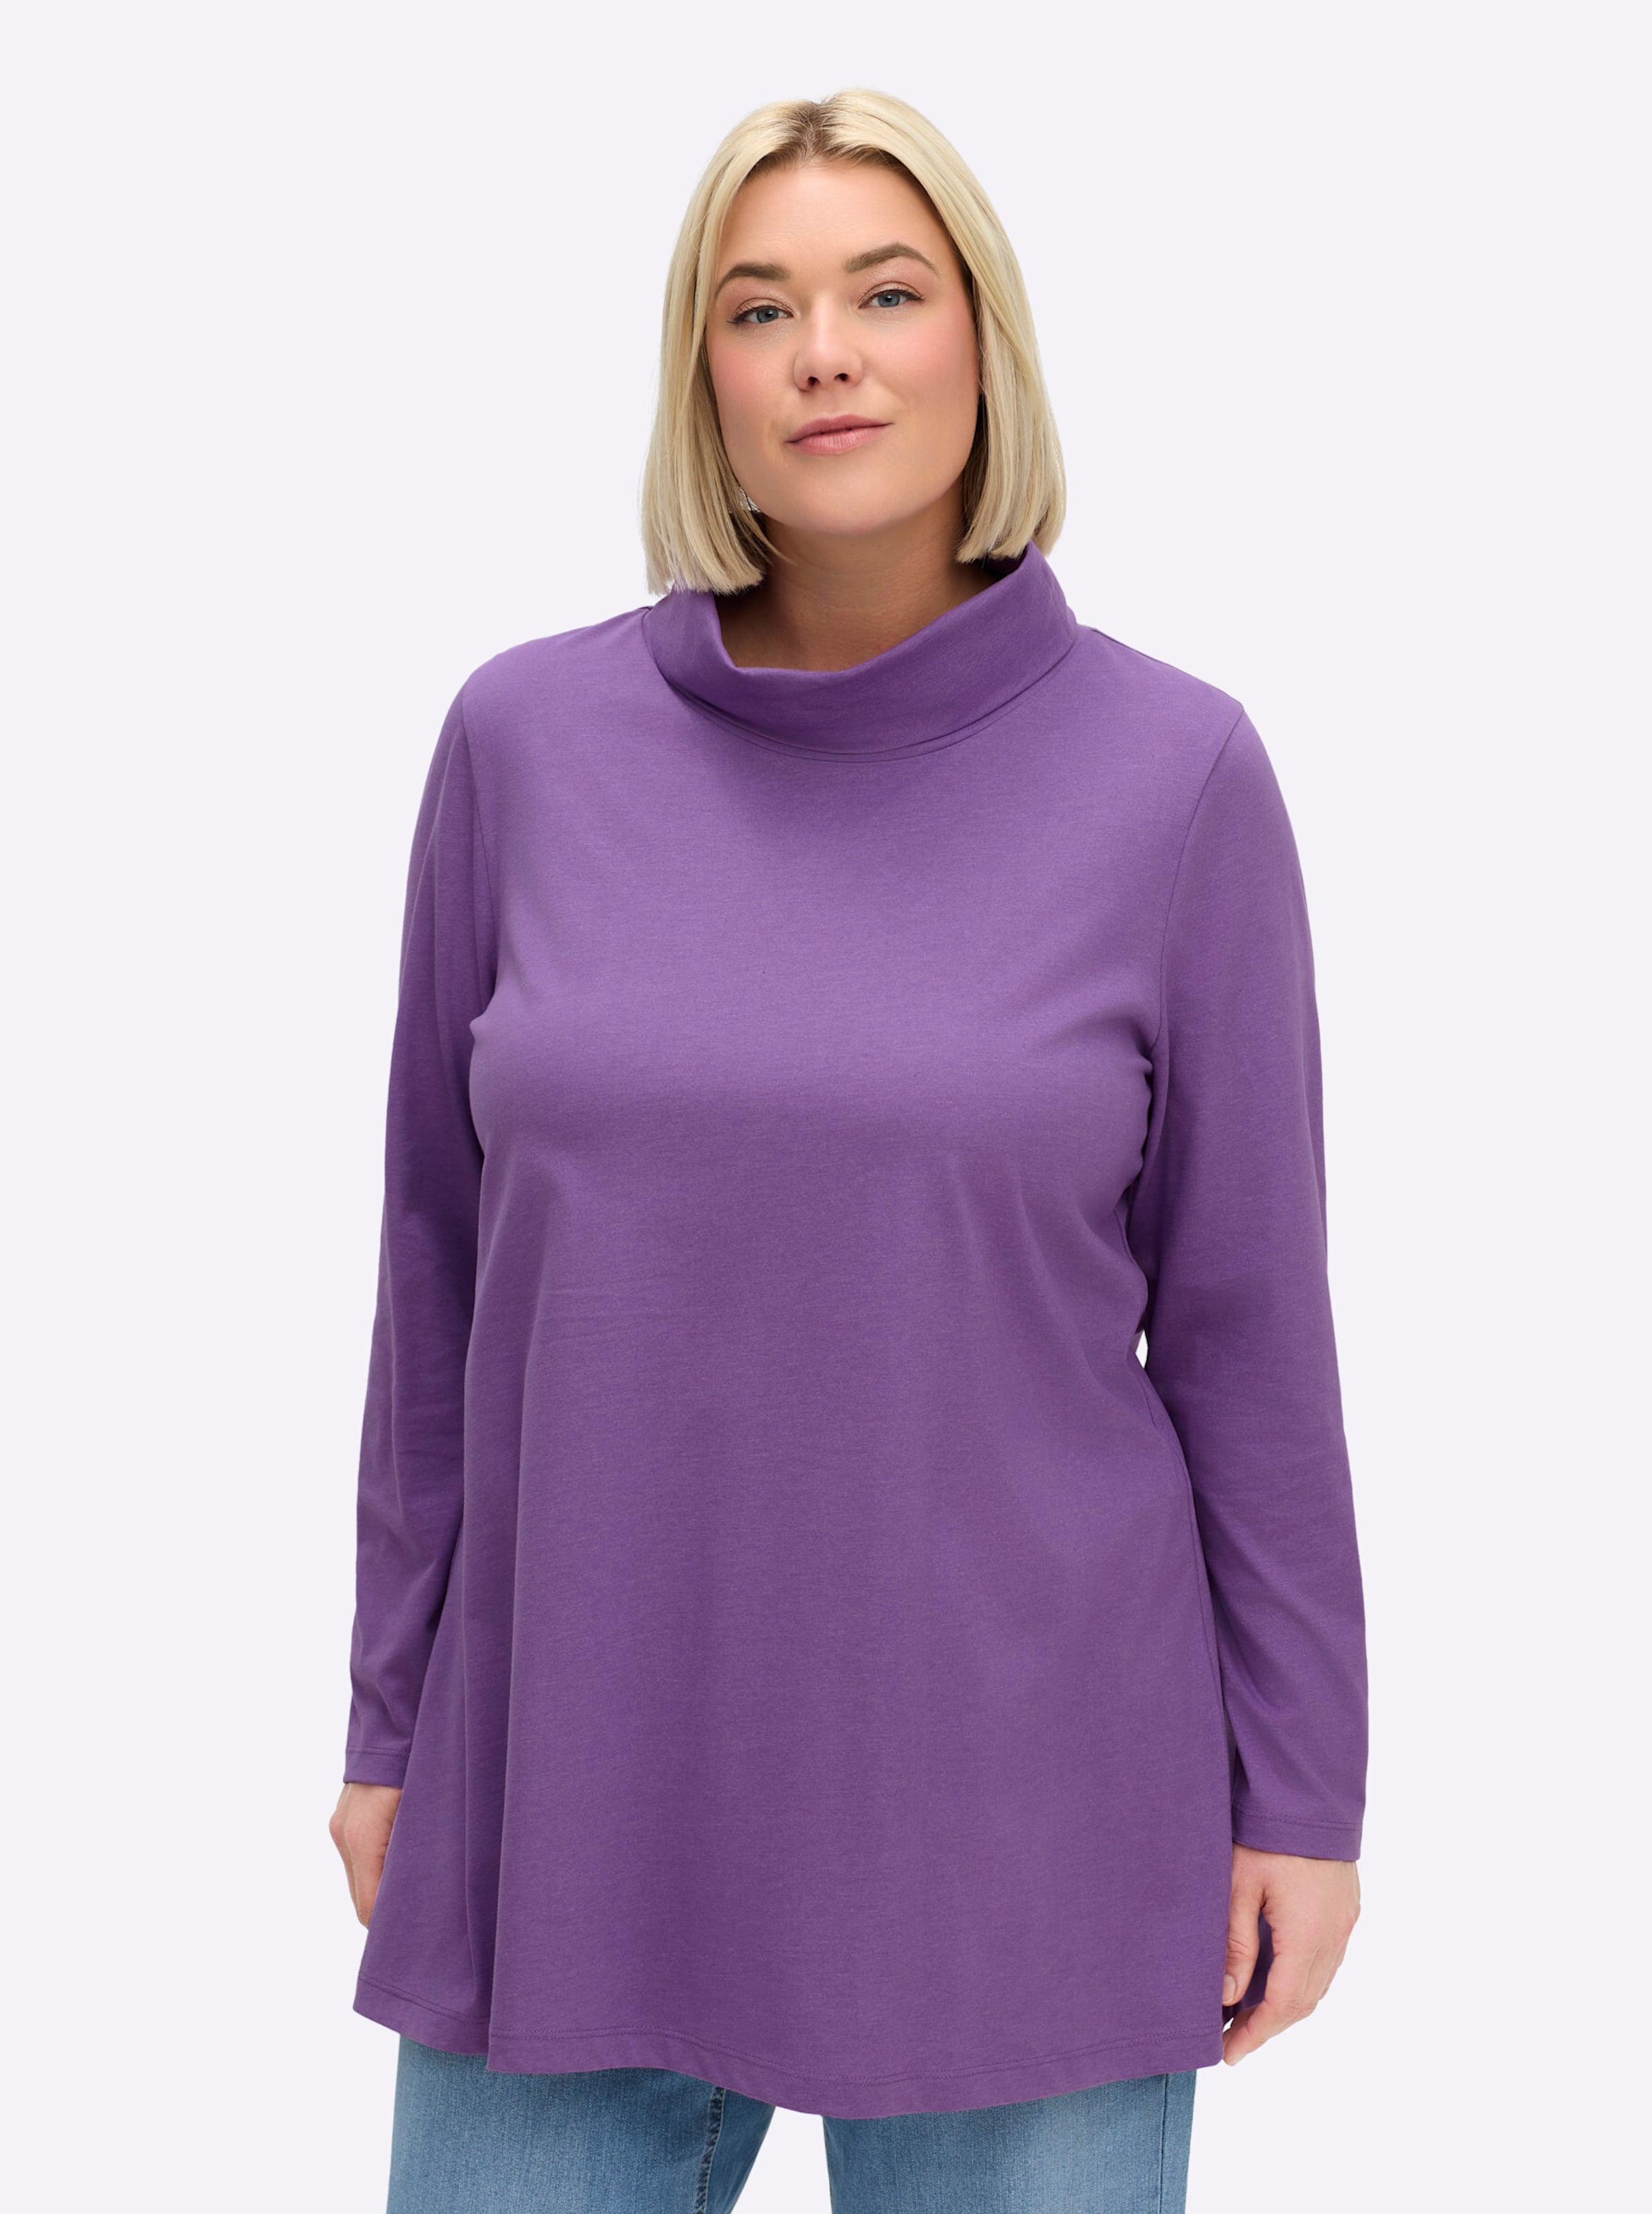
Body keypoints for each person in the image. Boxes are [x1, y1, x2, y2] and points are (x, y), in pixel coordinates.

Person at [329, 85, 1368, 2214]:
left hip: (1031, 1812)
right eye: (759, 306)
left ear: (981, 342)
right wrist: (388, 1719)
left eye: (885, 294)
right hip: (572, 1788)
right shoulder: (524, 745)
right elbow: (433, 1280)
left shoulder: (1171, 776)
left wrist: (1304, 1793)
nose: (824, 352)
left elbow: (1249, 1330)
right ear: (700, 378)